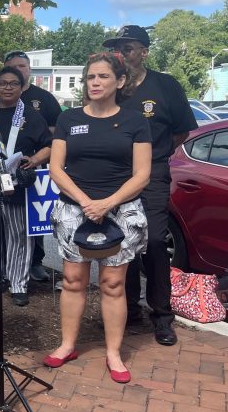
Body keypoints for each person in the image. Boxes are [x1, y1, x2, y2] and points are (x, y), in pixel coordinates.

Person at [44, 52, 151, 384]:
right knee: (74, 281)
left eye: (103, 77)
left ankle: (113, 353)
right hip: (75, 209)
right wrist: (86, 201)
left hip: (120, 212)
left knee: (113, 284)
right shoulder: (68, 118)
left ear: (119, 82)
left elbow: (142, 174)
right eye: (91, 77)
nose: (95, 82)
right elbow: (56, 169)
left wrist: (107, 203)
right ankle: (67, 345)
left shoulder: (135, 121)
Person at [102, 25, 197, 346]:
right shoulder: (115, 87)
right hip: (117, 176)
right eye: (117, 49)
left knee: (155, 241)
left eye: (127, 49)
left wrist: (155, 156)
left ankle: (162, 314)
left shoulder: (166, 86)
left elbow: (182, 131)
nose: (122, 55)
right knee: (122, 241)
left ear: (144, 51)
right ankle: (128, 309)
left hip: (154, 173)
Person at [0, 66, 51, 307]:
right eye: (3, 83)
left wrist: (36, 160)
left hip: (18, 184)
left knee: (19, 236)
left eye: (13, 84)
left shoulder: (31, 115)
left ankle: (18, 283)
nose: (8, 87)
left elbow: (49, 145)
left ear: (21, 88)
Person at [3, 50, 63, 283]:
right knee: (3, 221)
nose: (19, 70)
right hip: (2, 171)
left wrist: (37, 149)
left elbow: (58, 131)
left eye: (23, 66)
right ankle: (2, 265)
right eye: (14, 66)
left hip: (34, 170)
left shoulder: (43, 98)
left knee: (34, 221)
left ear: (29, 69)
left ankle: (36, 262)